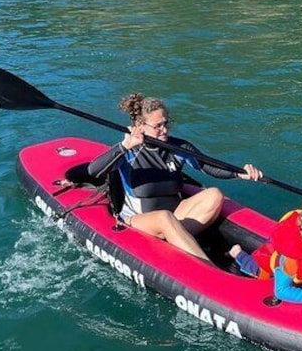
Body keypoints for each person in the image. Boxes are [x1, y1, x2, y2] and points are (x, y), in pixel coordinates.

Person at [87, 92, 263, 261]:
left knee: (214, 195)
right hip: (139, 221)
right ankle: (207, 265)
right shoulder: (129, 151)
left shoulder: (178, 148)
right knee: (164, 217)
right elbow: (94, 171)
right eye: (158, 126)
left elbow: (208, 166)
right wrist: (124, 146)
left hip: (176, 215)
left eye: (166, 123)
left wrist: (239, 173)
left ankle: (178, 241)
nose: (164, 130)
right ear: (140, 127)